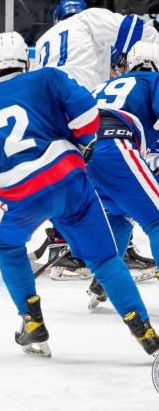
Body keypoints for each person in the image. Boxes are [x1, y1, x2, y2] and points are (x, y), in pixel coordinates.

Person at [0, 31, 159, 357]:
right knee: (104, 258)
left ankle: (32, 322)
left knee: (4, 242)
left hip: (21, 194)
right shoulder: (49, 77)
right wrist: (84, 144)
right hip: (71, 181)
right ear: (25, 61)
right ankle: (145, 332)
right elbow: (88, 115)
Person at [34, 0, 159, 278]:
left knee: (79, 180)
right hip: (86, 106)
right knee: (124, 182)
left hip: (48, 117)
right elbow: (137, 31)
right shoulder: (89, 19)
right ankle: (110, 251)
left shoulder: (43, 40)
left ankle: (64, 242)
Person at [86, 41, 159, 307]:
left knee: (119, 213)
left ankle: (104, 280)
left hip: (81, 157)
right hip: (115, 146)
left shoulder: (100, 86)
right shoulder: (153, 80)